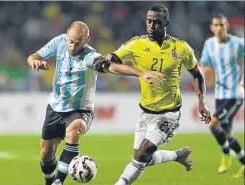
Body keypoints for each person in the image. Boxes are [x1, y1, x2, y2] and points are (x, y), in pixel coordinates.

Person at [27, 21, 164, 185]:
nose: (72, 46)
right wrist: (34, 62)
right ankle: (49, 182)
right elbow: (33, 56)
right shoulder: (59, 41)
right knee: (46, 153)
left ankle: (58, 181)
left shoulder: (89, 56)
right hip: (55, 107)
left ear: (87, 40)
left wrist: (139, 73)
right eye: (71, 41)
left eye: (78, 43)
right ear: (67, 35)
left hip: (80, 110)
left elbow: (112, 67)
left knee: (74, 131)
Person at [94, 4, 211, 185]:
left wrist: (201, 102)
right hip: (145, 111)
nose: (152, 26)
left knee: (142, 155)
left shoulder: (181, 48)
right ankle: (179, 155)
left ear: (166, 23)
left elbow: (197, 74)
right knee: (143, 159)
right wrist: (108, 58)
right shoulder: (137, 44)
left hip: (169, 113)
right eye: (149, 21)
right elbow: (112, 62)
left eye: (157, 22)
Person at [199, 13, 244, 178]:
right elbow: (204, 64)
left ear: (227, 26)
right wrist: (200, 70)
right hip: (220, 94)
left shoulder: (238, 44)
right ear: (212, 28)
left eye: (222, 25)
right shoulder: (209, 44)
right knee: (227, 133)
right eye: (216, 25)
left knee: (212, 124)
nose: (219, 28)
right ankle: (243, 161)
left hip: (235, 94)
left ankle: (225, 153)